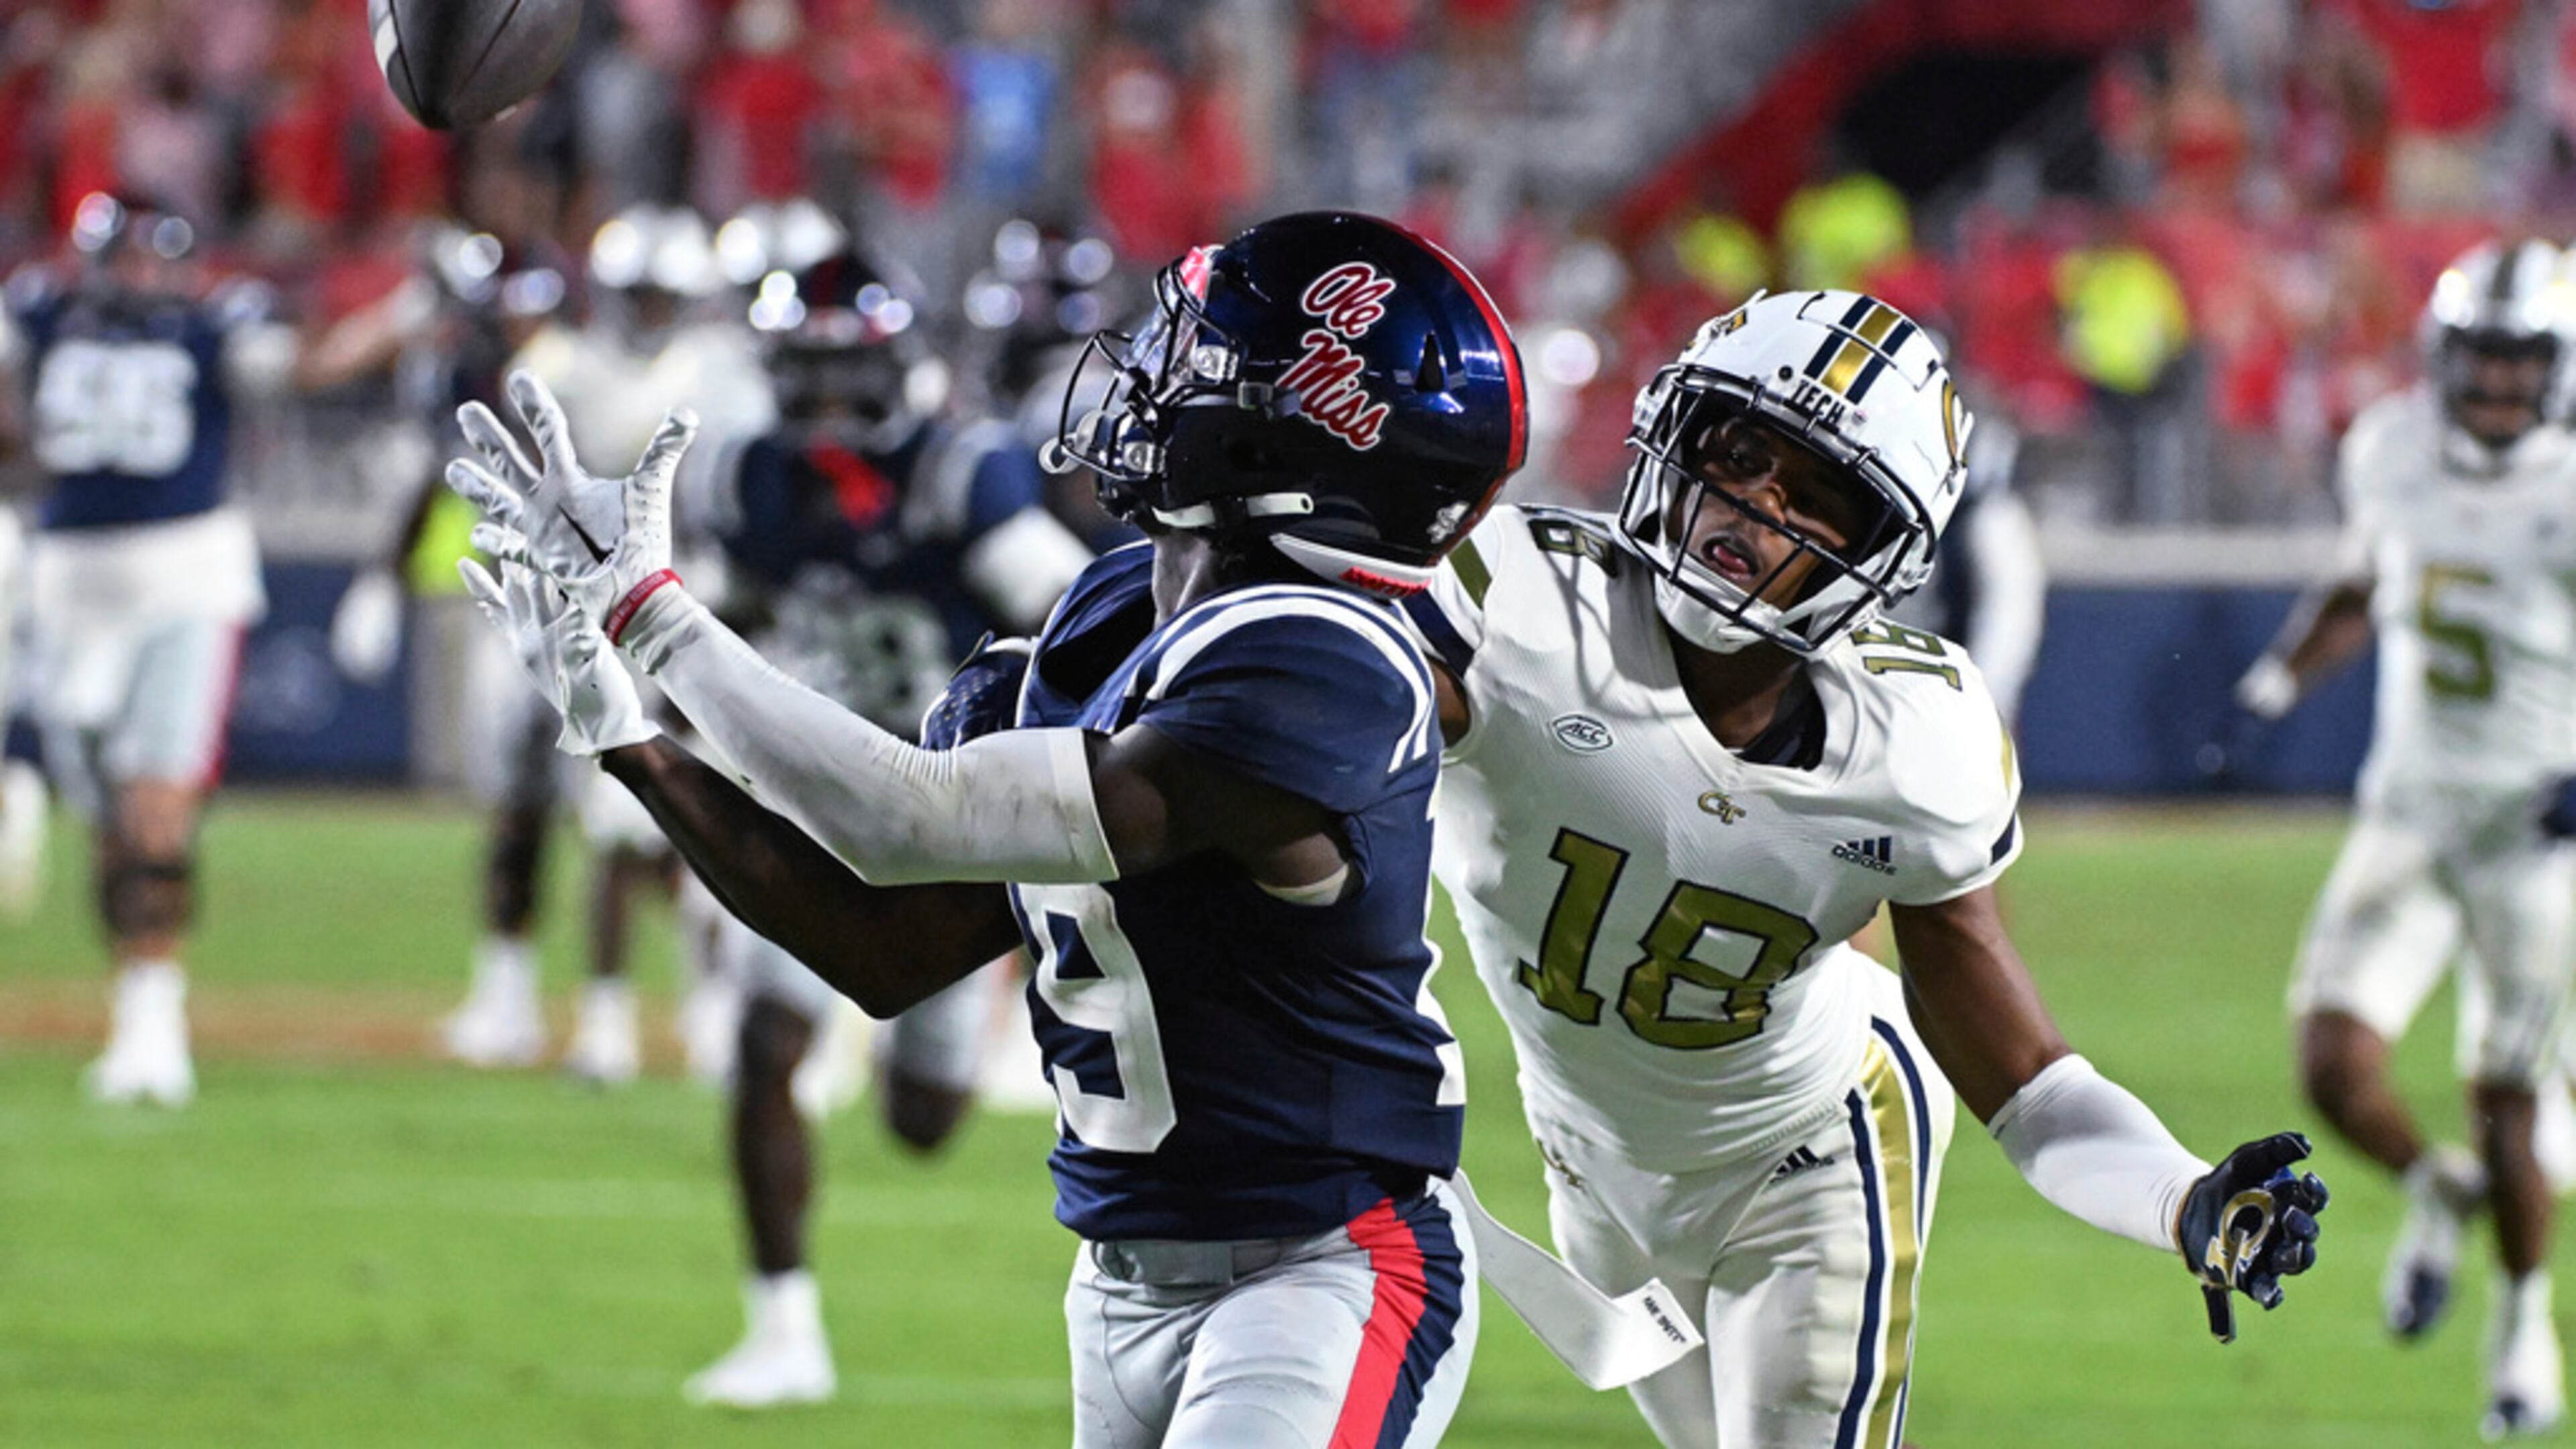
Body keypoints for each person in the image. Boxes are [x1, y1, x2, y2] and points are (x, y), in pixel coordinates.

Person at [444, 211, 1524, 1447]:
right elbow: (878, 944)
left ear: (1306, 427)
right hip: (1120, 1276)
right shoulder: (1118, 611)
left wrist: (654, 621)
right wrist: (623, 739)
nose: (1156, 384)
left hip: (1324, 1265)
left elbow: (909, 819)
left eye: (1205, 364)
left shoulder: (1320, 654)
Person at [1401, 288, 2328, 1449]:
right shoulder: (1509, 607)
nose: (1753, 501)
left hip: (1811, 1153)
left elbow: (2029, 1079)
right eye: (1737, 453)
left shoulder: (1914, 742)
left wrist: (2181, 1197)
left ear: (1877, 553)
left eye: (1815, 492)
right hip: (1591, 1167)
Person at [678, 245, 1093, 1409]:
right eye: (800, 371)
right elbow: (730, 624)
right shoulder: (742, 480)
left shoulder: (959, 477)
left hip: (946, 818)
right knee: (766, 1043)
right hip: (813, 799)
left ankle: (961, 1029)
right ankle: (783, 1331)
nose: (820, 400)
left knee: (921, 1121)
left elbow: (1080, 627)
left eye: (839, 370)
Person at [2226, 238, 2576, 1437]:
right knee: (2329, 1065)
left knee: (2509, 1099)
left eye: (2519, 360)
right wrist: (2280, 677)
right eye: (2477, 355)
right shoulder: (2388, 448)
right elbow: (2361, 584)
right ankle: (2438, 1193)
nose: (2492, 384)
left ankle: (2523, 1320)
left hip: (2535, 830)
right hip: (2410, 807)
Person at [432, 203, 773, 1082]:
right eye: (639, 292)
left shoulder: (731, 371)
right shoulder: (562, 367)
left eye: (666, 294)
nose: (652, 309)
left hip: (695, 604)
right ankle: (572, 1007)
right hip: (576, 605)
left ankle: (704, 1004)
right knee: (569, 812)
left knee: (700, 818)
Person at [0, 193, 299, 1106]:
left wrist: (405, 316)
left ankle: (156, 1027)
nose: (136, 277)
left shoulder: (214, 327)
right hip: (68, 588)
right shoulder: (38, 314)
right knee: (105, 824)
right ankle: (133, 1008)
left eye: (148, 259)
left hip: (183, 580)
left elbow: (305, 365)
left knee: (156, 810)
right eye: (122, 258)